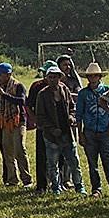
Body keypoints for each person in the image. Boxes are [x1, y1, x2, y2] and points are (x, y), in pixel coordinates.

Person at [33, 62, 81, 193]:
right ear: (47, 78)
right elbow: (40, 116)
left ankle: (79, 186)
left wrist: (72, 117)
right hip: (51, 135)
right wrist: (51, 128)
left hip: (67, 132)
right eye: (50, 77)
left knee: (73, 161)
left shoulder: (64, 90)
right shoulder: (42, 94)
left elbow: (72, 106)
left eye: (56, 77)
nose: (53, 79)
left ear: (60, 77)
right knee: (52, 164)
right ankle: (56, 187)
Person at [76, 62, 109, 196]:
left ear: (99, 77)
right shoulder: (83, 94)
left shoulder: (108, 91)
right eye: (90, 76)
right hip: (89, 132)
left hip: (105, 131)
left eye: (95, 76)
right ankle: (96, 188)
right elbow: (79, 115)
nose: (92, 78)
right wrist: (80, 134)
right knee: (92, 163)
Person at [0, 63, 30, 186]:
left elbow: (22, 101)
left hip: (18, 121)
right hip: (6, 122)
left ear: (8, 75)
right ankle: (12, 179)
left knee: (19, 150)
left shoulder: (18, 86)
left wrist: (4, 95)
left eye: (0, 75)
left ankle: (26, 179)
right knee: (7, 152)